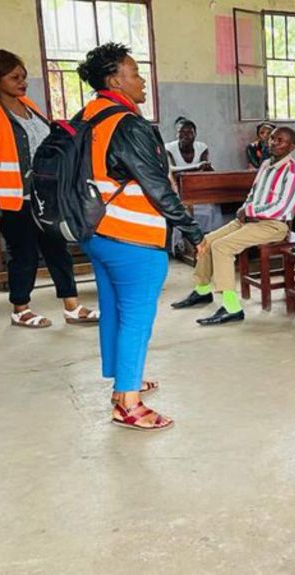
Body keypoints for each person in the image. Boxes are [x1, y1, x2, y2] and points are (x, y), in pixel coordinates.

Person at [76, 42, 204, 430]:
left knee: (114, 309)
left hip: (95, 231)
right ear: (115, 79)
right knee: (136, 317)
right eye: (134, 73)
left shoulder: (88, 116)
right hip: (132, 236)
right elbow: (158, 188)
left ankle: (123, 384)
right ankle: (128, 403)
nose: (142, 79)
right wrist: (193, 231)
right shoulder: (129, 124)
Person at [0, 49, 97, 328]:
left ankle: (71, 305)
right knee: (24, 254)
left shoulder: (29, 106)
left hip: (43, 196)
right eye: (14, 77)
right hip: (12, 199)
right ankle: (21, 308)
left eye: (23, 77)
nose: (22, 82)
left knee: (57, 249)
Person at [172, 127, 295, 325]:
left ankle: (232, 307)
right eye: (273, 139)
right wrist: (245, 209)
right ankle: (203, 290)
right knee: (206, 241)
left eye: (281, 140)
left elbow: (281, 206)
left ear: (291, 146)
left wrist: (249, 211)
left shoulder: (293, 172)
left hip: (273, 225)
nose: (274, 143)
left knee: (222, 247)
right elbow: (254, 193)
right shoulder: (267, 164)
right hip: (249, 220)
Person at [165, 118, 222, 234]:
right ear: (177, 134)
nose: (186, 135)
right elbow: (171, 170)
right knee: (180, 210)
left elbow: (203, 171)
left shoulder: (201, 147)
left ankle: (206, 236)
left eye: (190, 132)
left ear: (195, 134)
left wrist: (204, 168)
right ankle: (181, 244)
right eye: (182, 132)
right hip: (177, 189)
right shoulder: (169, 148)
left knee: (210, 207)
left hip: (197, 188)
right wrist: (195, 167)